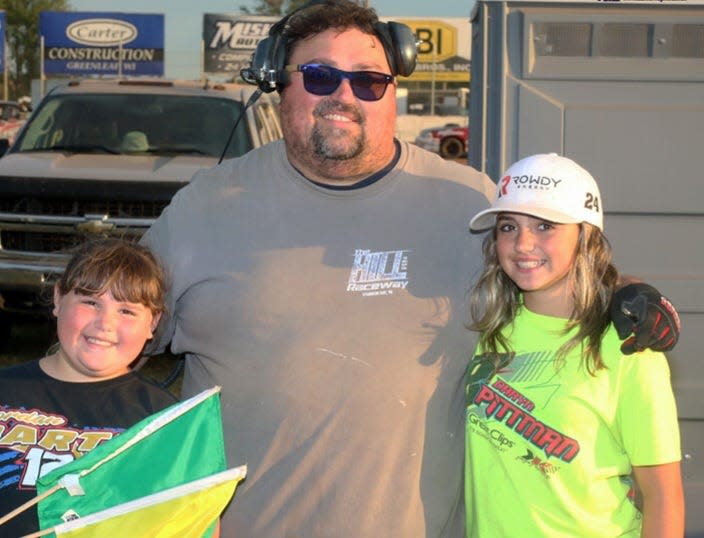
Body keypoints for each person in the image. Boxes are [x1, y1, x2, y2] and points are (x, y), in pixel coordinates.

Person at [142, 1, 680, 535]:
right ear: (277, 82)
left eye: (369, 80)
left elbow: (551, 264)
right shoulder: (207, 207)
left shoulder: (464, 202)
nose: (343, 95)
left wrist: (626, 295)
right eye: (319, 75)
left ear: (393, 90)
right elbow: (105, 324)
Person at [465, 153, 684, 537]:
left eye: (545, 225)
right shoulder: (485, 328)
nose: (523, 244)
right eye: (508, 226)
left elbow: (663, 495)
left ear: (585, 236)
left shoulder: (629, 347)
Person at [0, 238, 177, 536]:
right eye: (90, 302)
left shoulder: (163, 420)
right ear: (58, 299)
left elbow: (192, 519)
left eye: (127, 311)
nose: (105, 323)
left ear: (153, 322)